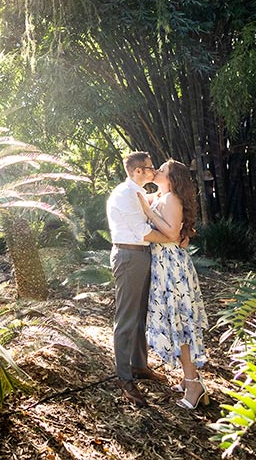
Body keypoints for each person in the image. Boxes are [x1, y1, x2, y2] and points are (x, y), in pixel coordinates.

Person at [137, 159, 209, 409]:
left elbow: (171, 234)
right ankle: (189, 378)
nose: (156, 171)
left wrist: (147, 211)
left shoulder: (172, 198)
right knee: (174, 321)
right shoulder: (160, 195)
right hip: (163, 264)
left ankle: (194, 385)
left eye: (162, 170)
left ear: (172, 178)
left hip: (171, 267)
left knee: (180, 324)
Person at [107, 151, 175, 407]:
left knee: (139, 315)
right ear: (138, 171)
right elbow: (144, 232)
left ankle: (139, 365)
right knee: (126, 318)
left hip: (140, 257)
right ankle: (124, 378)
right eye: (149, 167)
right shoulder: (125, 195)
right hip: (129, 256)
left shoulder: (136, 193)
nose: (153, 171)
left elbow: (154, 203)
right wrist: (174, 238)